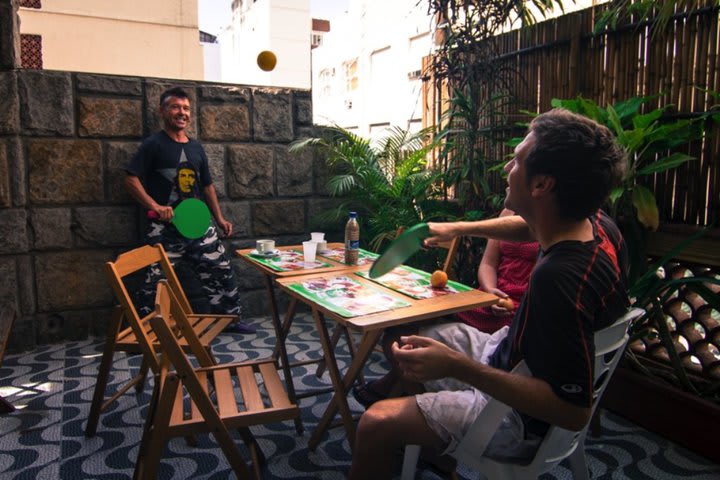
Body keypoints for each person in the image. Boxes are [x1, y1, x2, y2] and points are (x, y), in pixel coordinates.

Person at [348, 109, 629, 479]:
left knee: (375, 422)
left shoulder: (558, 280)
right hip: (511, 355)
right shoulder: (592, 223)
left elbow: (571, 410)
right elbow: (528, 226)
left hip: (519, 421)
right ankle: (438, 451)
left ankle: (421, 437)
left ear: (541, 185)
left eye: (517, 160)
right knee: (406, 340)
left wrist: (458, 367)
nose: (506, 168)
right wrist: (457, 227)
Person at [124, 87, 255, 334]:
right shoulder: (153, 145)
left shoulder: (196, 148)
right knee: (156, 281)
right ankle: (144, 332)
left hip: (199, 225)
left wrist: (219, 218)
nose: (181, 112)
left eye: (185, 108)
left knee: (221, 270)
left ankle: (229, 321)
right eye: (175, 107)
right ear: (163, 111)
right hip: (164, 228)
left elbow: (207, 186)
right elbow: (131, 179)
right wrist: (154, 206)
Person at [456, 208, 539, 333]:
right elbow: (488, 264)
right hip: (492, 293)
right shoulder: (508, 213)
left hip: (525, 301)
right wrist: (490, 292)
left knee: (515, 322)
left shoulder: (549, 217)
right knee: (448, 307)